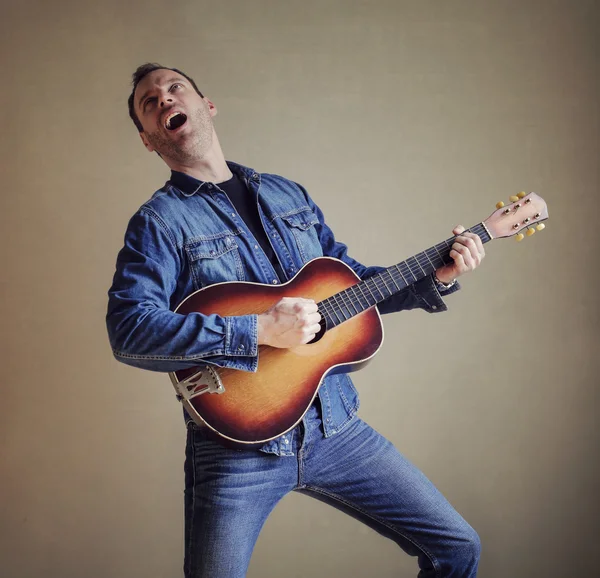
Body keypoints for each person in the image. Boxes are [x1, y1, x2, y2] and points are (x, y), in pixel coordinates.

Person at [107, 63, 484, 578]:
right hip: (237, 447)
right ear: (149, 140)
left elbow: (349, 288)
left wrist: (434, 277)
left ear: (206, 104)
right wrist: (258, 329)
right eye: (149, 104)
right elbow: (129, 331)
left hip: (337, 429)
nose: (164, 99)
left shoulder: (288, 195)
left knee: (458, 548)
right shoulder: (159, 222)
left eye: (175, 88)